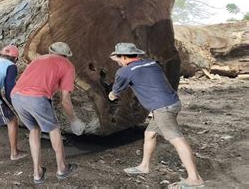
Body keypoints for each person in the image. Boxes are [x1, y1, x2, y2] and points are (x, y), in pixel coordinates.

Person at [108, 42, 205, 188]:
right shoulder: (150, 63)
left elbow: (115, 94)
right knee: (150, 134)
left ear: (122, 56)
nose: (118, 61)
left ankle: (195, 179)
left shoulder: (124, 72)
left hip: (162, 108)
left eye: (119, 58)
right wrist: (121, 60)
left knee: (177, 139)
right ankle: (144, 166)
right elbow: (137, 70)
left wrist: (110, 95)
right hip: (172, 102)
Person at [11, 42, 85, 184]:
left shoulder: (38, 59)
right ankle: (62, 168)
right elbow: (65, 100)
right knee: (54, 129)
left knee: (34, 129)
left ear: (51, 51)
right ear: (67, 56)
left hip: (16, 96)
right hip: (37, 98)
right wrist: (74, 120)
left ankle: (37, 173)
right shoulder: (68, 66)